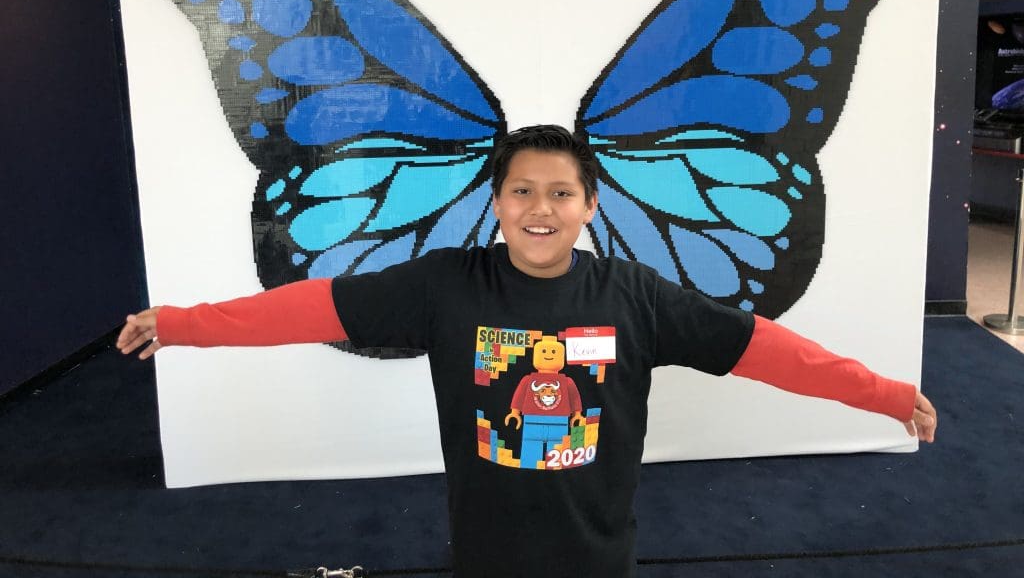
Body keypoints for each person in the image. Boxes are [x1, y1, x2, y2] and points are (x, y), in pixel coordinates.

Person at [118, 124, 937, 578]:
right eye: (522, 190)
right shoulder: (445, 283)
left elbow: (759, 347)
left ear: (589, 204)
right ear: (496, 199)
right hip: (487, 543)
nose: (539, 208)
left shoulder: (634, 293)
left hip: (597, 546)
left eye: (559, 193)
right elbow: (310, 307)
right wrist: (184, 321)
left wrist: (882, 393)